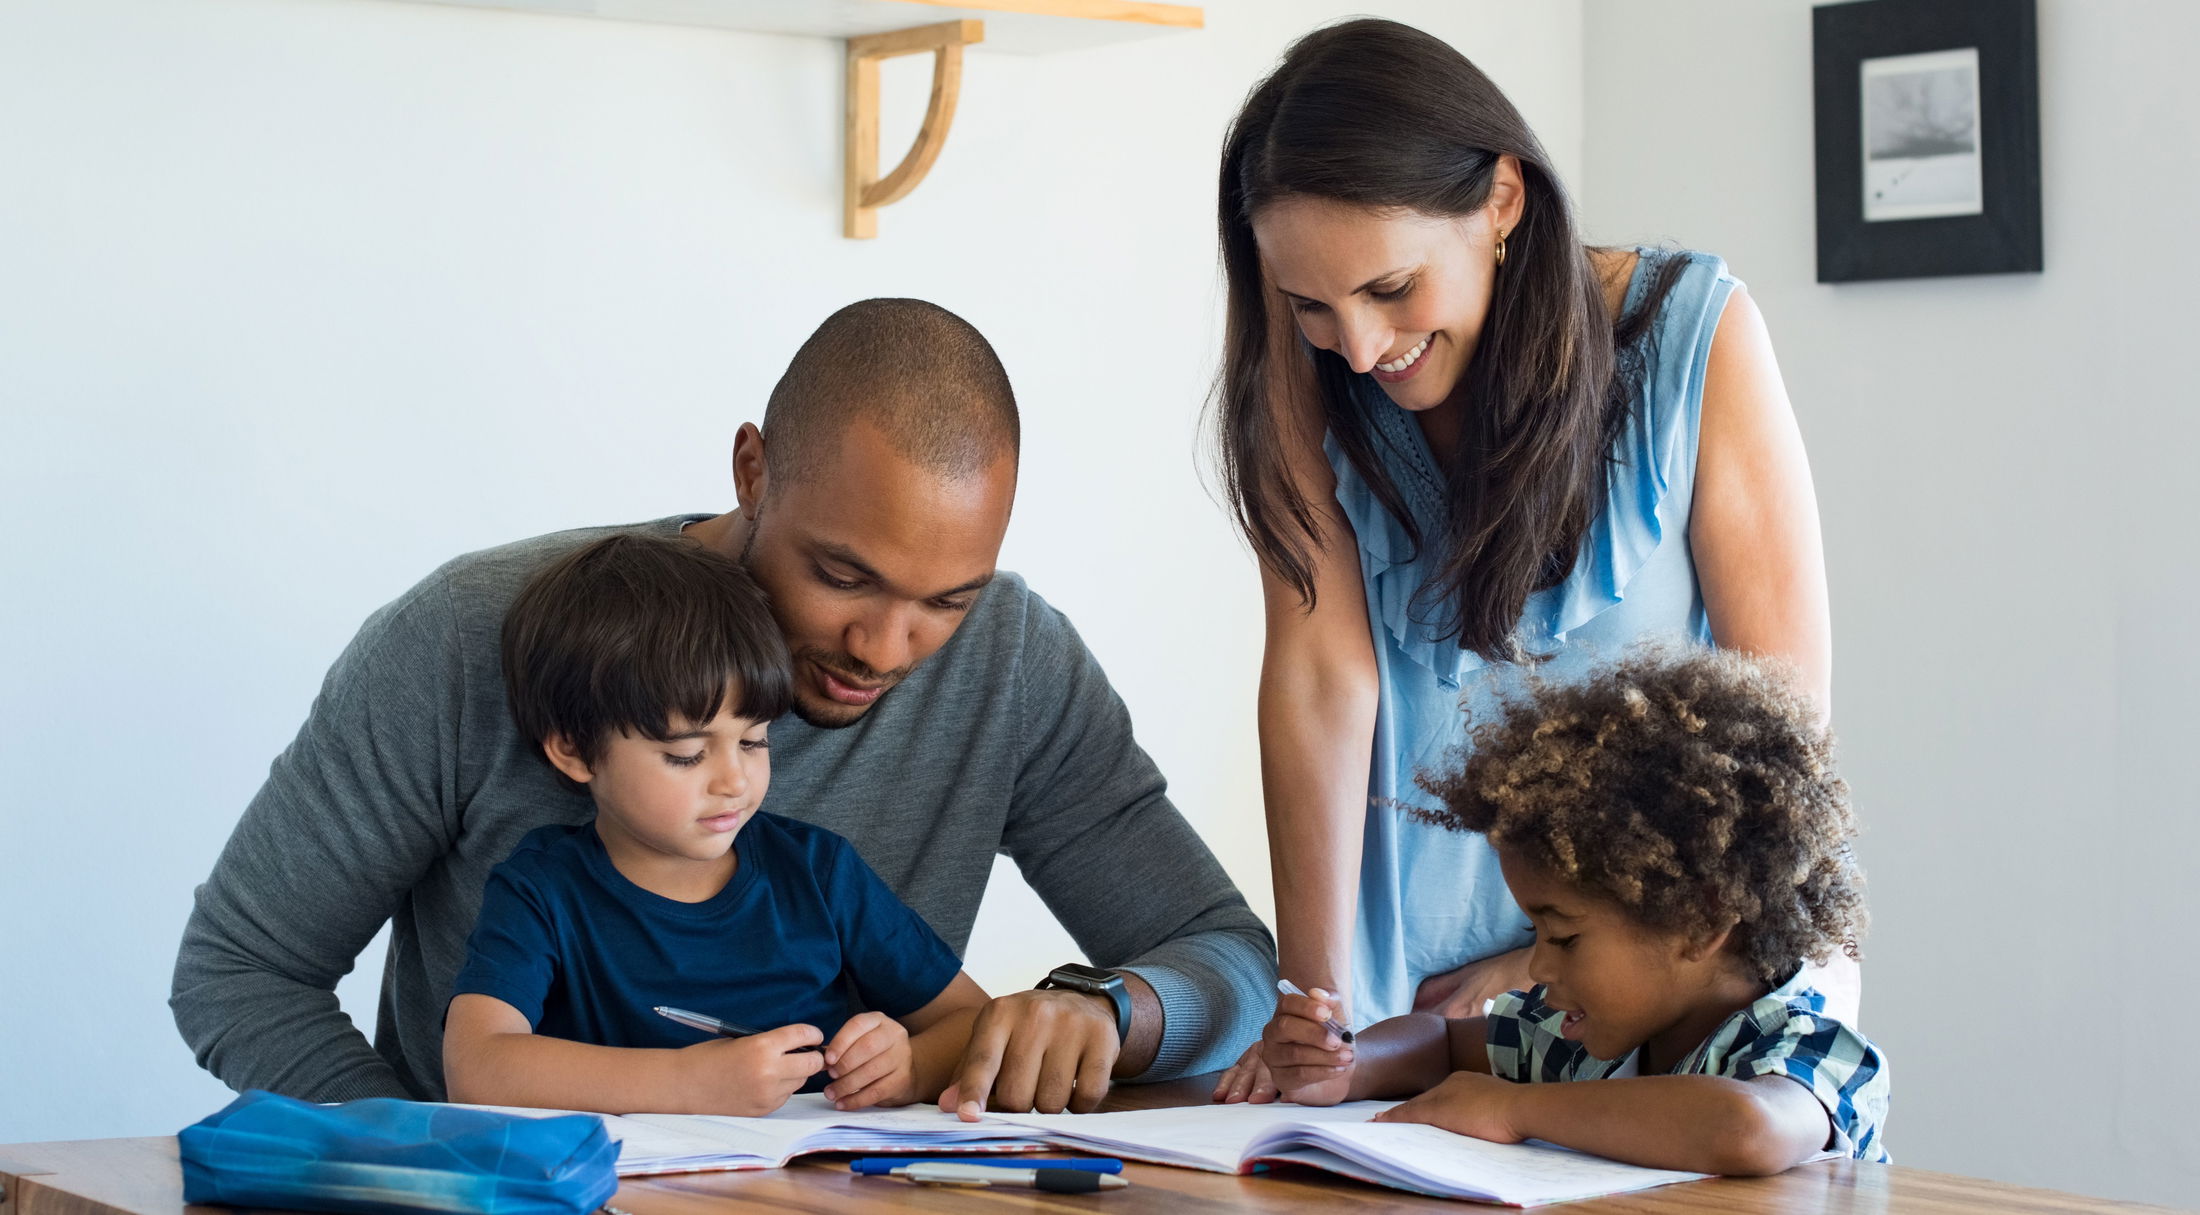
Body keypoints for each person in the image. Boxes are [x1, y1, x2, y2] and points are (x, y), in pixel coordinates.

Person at [173, 298, 1273, 1115]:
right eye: (842, 577)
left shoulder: (1012, 660)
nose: (885, 650)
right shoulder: (470, 637)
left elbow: (1225, 957)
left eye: (946, 600)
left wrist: (1109, 1010)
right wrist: (434, 1166)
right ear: (753, 469)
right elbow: (241, 973)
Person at [1206, 19, 1843, 1101]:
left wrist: (1544, 964)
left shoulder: (1695, 335)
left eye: (1390, 289)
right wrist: (1312, 1006)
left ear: (1502, 200)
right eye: (1311, 305)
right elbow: (1321, 678)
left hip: (1660, 994)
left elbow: (1777, 732)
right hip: (1397, 1012)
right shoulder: (1306, 375)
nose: (1358, 348)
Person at [1260, 646, 1890, 1173]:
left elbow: (1746, 1129)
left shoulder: (1808, 1044)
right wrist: (1348, 1065)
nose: (1536, 967)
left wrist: (1513, 1109)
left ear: (1701, 921)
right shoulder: (1583, 1038)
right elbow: (1441, 1044)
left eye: (1562, 938)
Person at [443, 534, 989, 1116]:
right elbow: (477, 1067)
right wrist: (687, 1083)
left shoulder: (817, 872)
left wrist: (908, 1068)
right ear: (575, 751)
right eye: (687, 754)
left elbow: (974, 1020)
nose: (734, 781)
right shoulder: (542, 890)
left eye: (754, 741)